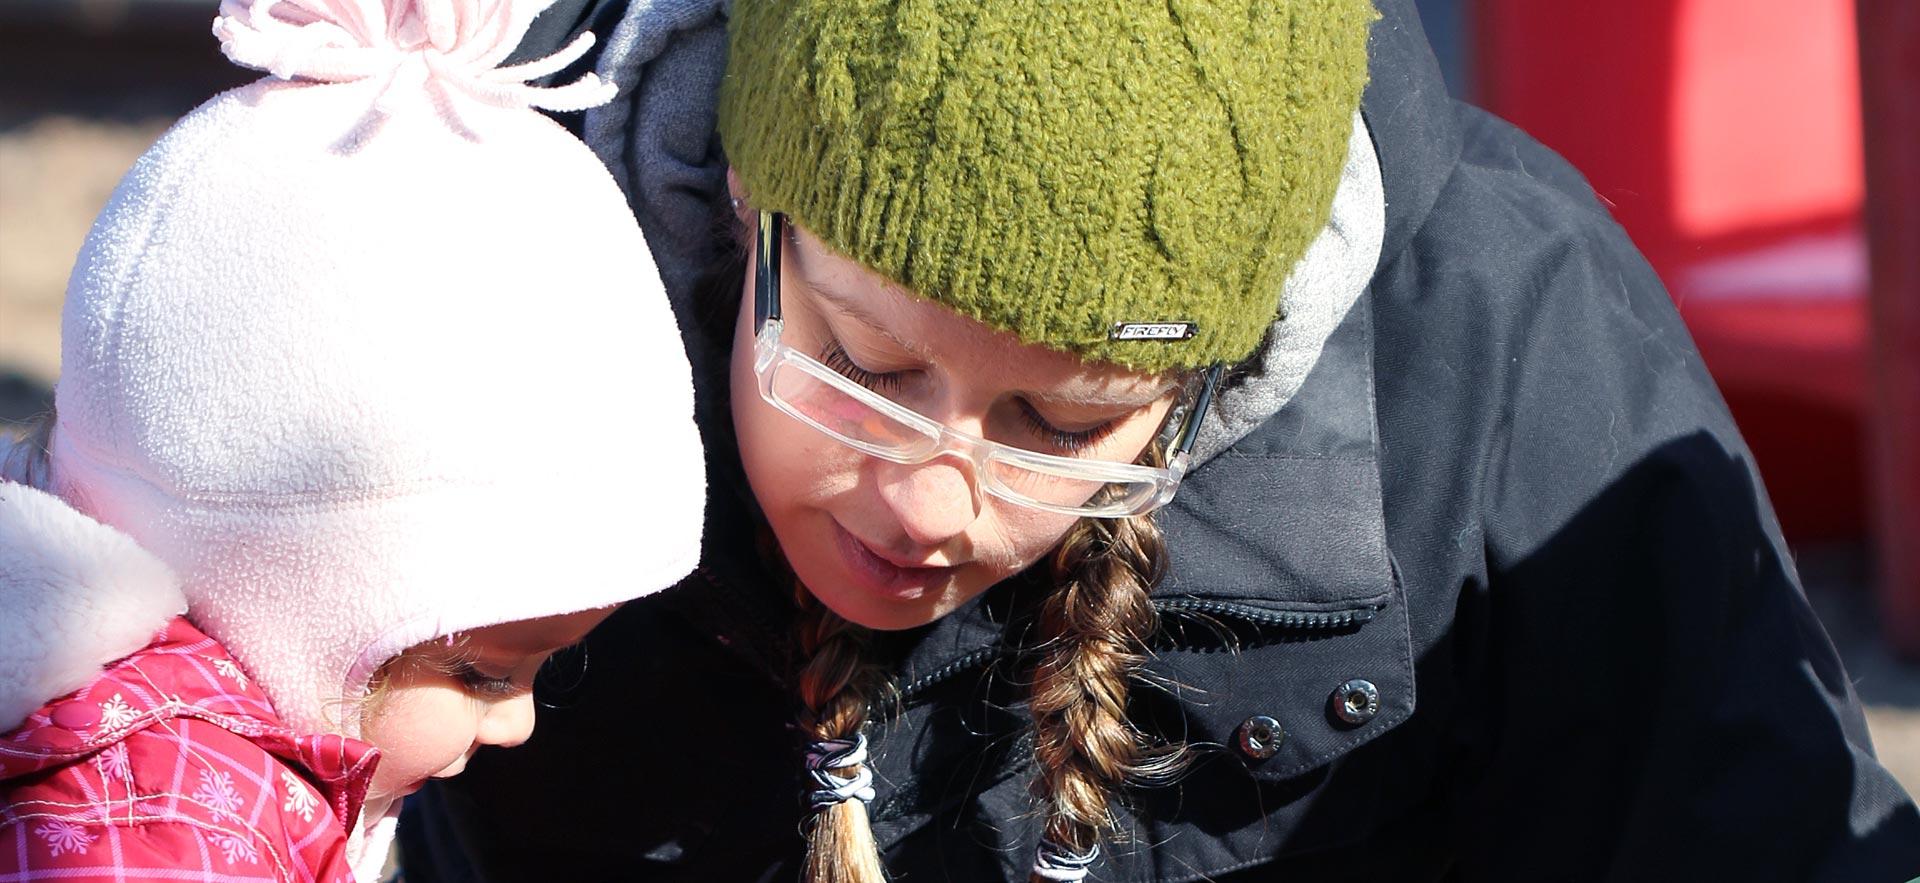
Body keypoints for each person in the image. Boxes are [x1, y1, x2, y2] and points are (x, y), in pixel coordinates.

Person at [402, 0, 1920, 880]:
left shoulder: (1498, 332)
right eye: (865, 364)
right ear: (742, 203)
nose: (935, 495)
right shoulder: (442, 258)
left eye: (1064, 422)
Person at [0, 0, 704, 879]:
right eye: (479, 674)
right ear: (287, 594)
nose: (520, 721)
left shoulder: (216, 767)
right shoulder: (158, 832)